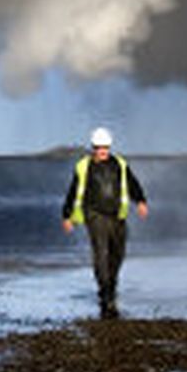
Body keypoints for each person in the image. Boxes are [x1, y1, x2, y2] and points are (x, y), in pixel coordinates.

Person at [61, 125, 148, 318]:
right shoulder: (84, 166)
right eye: (99, 147)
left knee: (118, 254)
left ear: (109, 147)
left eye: (105, 147)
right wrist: (67, 216)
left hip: (117, 216)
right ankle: (106, 293)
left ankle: (111, 286)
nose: (102, 151)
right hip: (95, 215)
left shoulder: (120, 164)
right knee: (101, 253)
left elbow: (132, 183)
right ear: (93, 147)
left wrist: (140, 200)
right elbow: (73, 191)